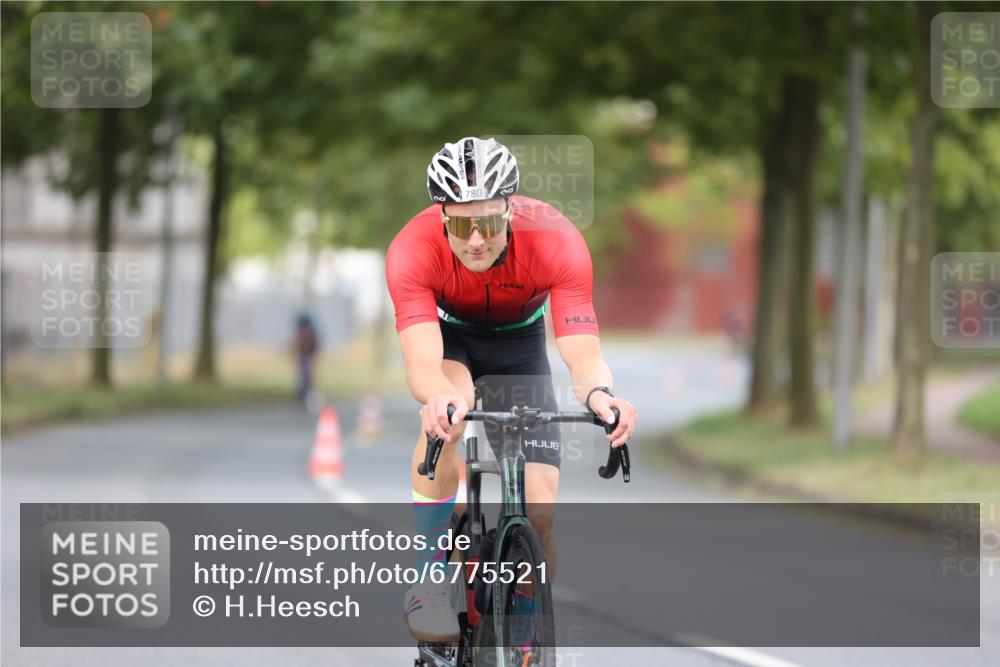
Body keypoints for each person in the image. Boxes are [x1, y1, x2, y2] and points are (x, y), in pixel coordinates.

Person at [386, 137, 638, 642]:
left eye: (489, 222)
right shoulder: (411, 249)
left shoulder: (557, 241)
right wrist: (439, 399)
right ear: (441, 219)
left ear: (510, 209)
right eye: (460, 224)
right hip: (452, 339)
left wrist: (601, 396)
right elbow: (423, 365)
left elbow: (582, 353)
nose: (475, 238)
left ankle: (525, 640)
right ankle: (429, 581)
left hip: (520, 345)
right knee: (450, 413)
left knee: (540, 514)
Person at [291, 312, 319, 407]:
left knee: (309, 378)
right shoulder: (301, 336)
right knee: (303, 378)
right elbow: (296, 347)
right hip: (303, 357)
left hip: (308, 357)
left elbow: (314, 349)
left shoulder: (310, 336)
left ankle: (307, 397)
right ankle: (301, 398)